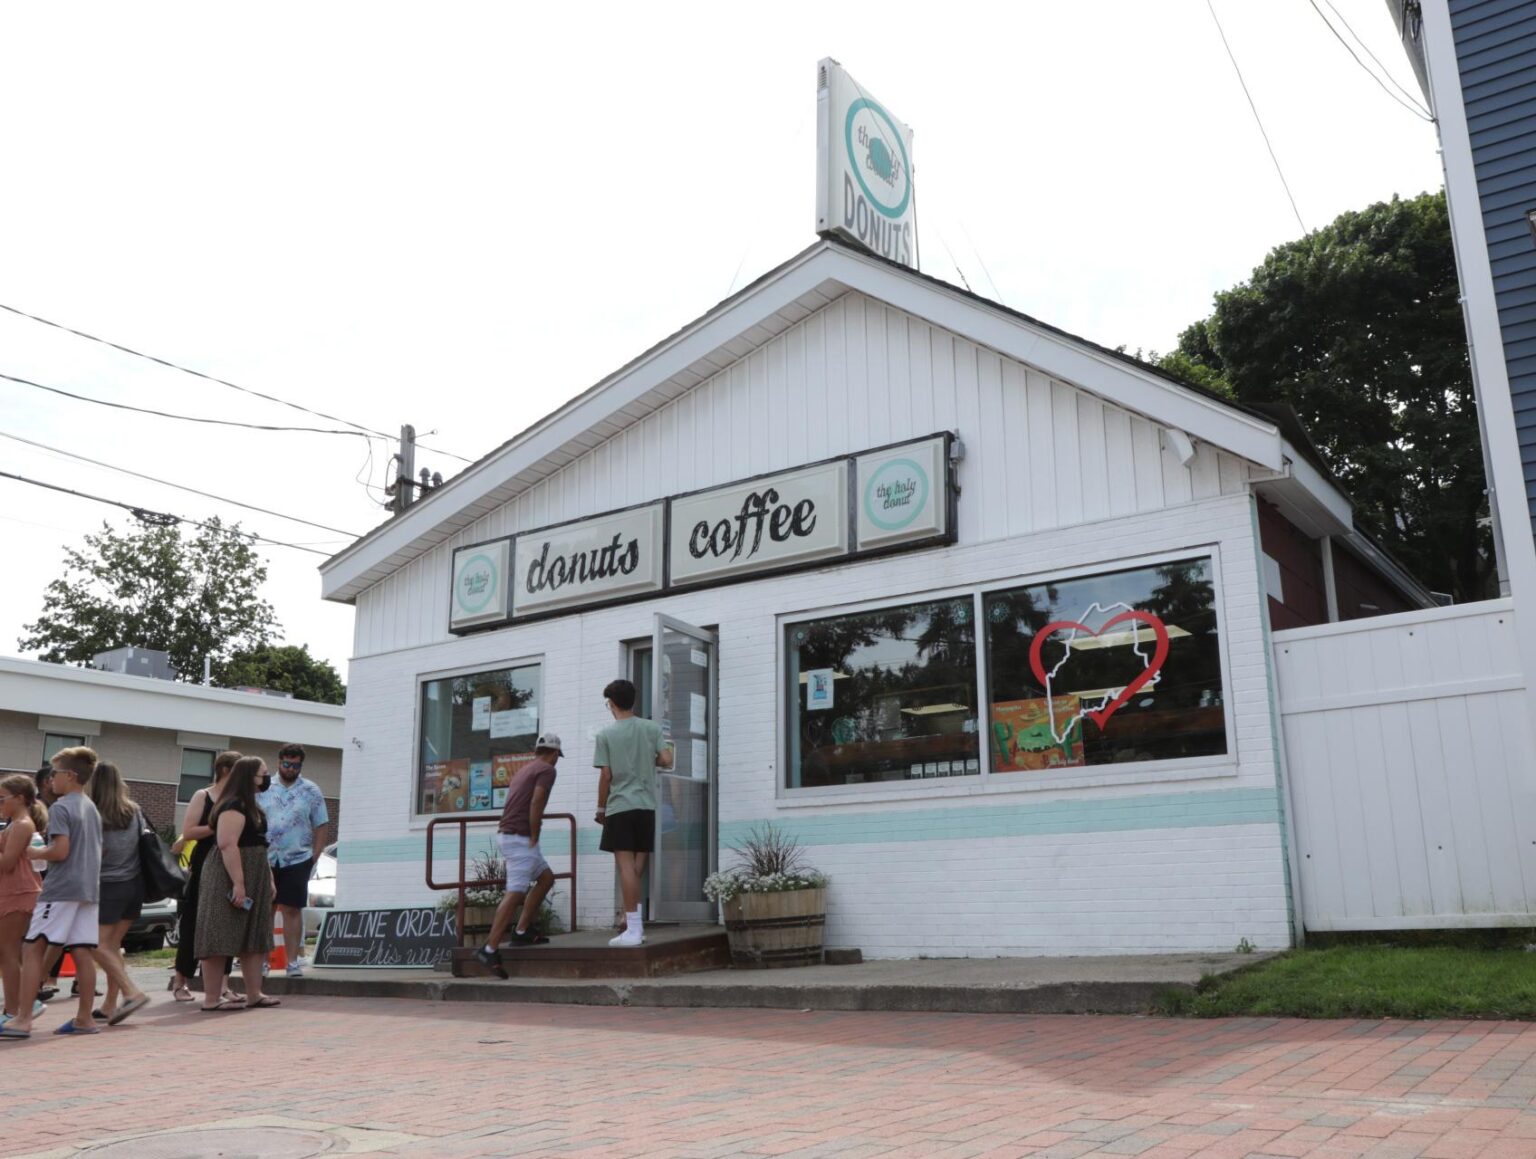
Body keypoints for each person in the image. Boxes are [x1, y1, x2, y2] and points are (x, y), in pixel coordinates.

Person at [1, 746, 109, 1039]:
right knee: (83, 950)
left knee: (32, 947)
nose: (51, 779)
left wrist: (38, 851)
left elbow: (61, 851)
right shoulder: (90, 807)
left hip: (62, 889)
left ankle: (22, 1018)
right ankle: (84, 1017)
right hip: (88, 888)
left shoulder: (62, 807)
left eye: (55, 773)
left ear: (71, 775)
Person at [474, 733, 563, 977]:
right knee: (515, 892)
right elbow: (537, 802)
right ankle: (489, 949)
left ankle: (522, 931)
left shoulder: (525, 769)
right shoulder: (547, 770)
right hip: (521, 837)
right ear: (554, 754)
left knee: (546, 878)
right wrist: (535, 833)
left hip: (510, 834)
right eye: (557, 757)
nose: (557, 761)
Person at [195, 756, 278, 1012]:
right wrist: (239, 884)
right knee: (220, 933)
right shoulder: (232, 805)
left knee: (254, 935)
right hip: (228, 874)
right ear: (248, 776)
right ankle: (211, 998)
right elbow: (227, 843)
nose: (266, 779)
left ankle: (254, 993)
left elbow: (260, 846)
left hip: (255, 872)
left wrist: (269, 880)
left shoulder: (253, 806)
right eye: (262, 774)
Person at [594, 679, 672, 948]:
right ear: (633, 701)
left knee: (625, 866)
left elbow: (606, 775)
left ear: (612, 703)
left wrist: (600, 807)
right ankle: (633, 924)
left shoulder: (606, 735)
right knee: (638, 861)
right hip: (646, 804)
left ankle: (633, 927)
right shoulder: (651, 728)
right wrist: (648, 759)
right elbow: (666, 760)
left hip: (620, 805)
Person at [170, 750, 240, 1003]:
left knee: (228, 923)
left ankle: (223, 984)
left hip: (231, 863)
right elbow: (188, 831)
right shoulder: (204, 795)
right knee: (193, 920)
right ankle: (181, 981)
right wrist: (217, 827)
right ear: (225, 770)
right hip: (205, 861)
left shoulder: (239, 799)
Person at [86, 762, 151, 1024]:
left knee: (96, 944)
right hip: (134, 884)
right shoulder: (134, 811)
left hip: (108, 885)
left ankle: (131, 992)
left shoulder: (94, 813)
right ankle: (111, 1004)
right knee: (112, 947)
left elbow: (96, 853)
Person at [257, 743, 328, 977]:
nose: (291, 769)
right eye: (287, 764)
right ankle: (263, 961)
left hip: (297, 858)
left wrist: (314, 857)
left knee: (292, 909)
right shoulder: (264, 788)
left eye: (296, 765)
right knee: (266, 908)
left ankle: (292, 962)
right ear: (279, 762)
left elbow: (321, 824)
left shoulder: (311, 790)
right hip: (266, 857)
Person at [0, 775, 45, 1025]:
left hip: (20, 893)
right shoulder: (14, 824)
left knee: (8, 951)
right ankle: (19, 1004)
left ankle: (13, 1010)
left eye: (2, 798)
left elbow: (7, 863)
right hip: (12, 892)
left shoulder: (22, 825)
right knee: (7, 952)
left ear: (19, 798)